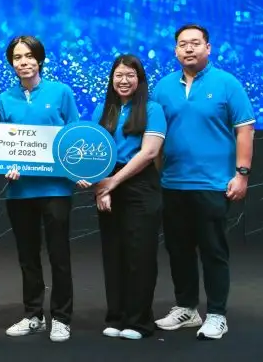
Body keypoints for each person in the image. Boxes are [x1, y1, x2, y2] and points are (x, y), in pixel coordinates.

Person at [152, 24, 255, 340]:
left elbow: (245, 129)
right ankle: (186, 308)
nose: (189, 48)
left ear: (208, 48)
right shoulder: (163, 87)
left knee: (213, 251)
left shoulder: (227, 83)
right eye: (183, 44)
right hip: (173, 184)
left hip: (213, 184)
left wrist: (242, 173)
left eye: (195, 43)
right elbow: (154, 135)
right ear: (175, 50)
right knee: (178, 250)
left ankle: (217, 314)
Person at [77, 54, 166, 340]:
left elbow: (149, 152)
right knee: (113, 254)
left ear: (139, 79)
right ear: (111, 79)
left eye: (130, 75)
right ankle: (116, 317)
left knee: (139, 255)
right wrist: (99, 187)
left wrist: (112, 183)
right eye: (119, 75)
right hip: (109, 183)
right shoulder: (102, 111)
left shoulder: (153, 109)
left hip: (140, 184)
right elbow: (94, 155)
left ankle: (139, 322)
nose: (124, 80)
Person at [0, 35, 79, 342]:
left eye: (29, 56)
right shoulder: (4, 99)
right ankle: (33, 315)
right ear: (11, 63)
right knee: (27, 257)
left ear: (40, 59)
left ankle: (61, 318)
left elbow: (74, 134)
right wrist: (7, 166)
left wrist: (76, 169)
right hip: (20, 192)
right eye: (18, 57)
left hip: (56, 189)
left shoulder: (61, 92)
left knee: (59, 256)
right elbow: (1, 144)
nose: (24, 62)